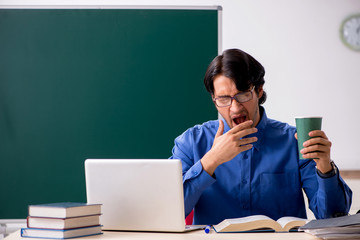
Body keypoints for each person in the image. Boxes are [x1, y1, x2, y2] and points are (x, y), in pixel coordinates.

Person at [170, 48, 352, 225]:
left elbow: (332, 218)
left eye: (242, 95)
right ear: (213, 99)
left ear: (258, 91)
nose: (235, 108)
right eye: (223, 99)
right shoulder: (191, 142)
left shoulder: (294, 141)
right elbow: (169, 212)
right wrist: (211, 161)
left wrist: (325, 167)